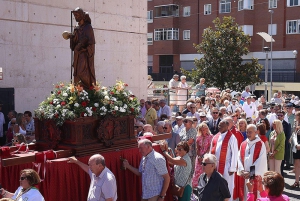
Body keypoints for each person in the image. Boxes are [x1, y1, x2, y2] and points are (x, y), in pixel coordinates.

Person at [66, 7, 96, 89]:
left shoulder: (88, 27)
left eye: (77, 15)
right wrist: (71, 37)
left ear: (82, 15)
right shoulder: (76, 28)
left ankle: (86, 93)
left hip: (84, 56)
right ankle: (78, 93)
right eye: (74, 15)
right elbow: (73, 46)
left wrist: (84, 49)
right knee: (76, 74)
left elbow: (92, 44)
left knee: (82, 73)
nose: (75, 17)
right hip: (77, 55)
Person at [210, 120, 239, 201]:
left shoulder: (232, 138)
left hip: (227, 166)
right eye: (219, 125)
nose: (219, 127)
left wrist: (232, 168)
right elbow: (211, 150)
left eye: (222, 126)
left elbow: (235, 153)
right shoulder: (215, 137)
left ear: (227, 126)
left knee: (226, 186)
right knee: (215, 185)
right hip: (216, 165)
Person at [237, 124, 268, 201]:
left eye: (250, 132)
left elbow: (261, 162)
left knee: (255, 195)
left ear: (256, 132)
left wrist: (250, 173)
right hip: (244, 176)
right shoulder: (243, 144)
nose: (248, 134)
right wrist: (242, 171)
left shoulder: (261, 144)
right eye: (247, 132)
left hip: (254, 176)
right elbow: (239, 158)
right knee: (245, 195)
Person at [192, 122, 213, 188]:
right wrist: (199, 156)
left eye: (204, 129)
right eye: (201, 130)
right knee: (197, 171)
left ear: (207, 129)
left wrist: (204, 156)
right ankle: (197, 187)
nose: (203, 131)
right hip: (199, 156)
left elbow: (209, 147)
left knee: (205, 170)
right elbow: (197, 148)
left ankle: (205, 186)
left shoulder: (211, 137)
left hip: (207, 156)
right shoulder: (198, 137)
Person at [291, 111, 300, 188]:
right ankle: (296, 181)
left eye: (296, 115)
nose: (295, 116)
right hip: (296, 147)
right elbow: (294, 134)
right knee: (296, 165)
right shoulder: (295, 124)